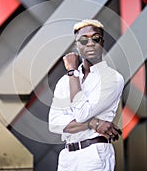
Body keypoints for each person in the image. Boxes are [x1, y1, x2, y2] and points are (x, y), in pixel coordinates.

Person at [48, 19, 125, 171]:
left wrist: (72, 71)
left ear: (102, 42)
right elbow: (54, 123)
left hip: (94, 155)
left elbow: (82, 113)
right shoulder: (65, 82)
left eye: (95, 38)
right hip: (67, 158)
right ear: (77, 45)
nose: (89, 43)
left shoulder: (112, 78)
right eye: (83, 40)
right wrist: (94, 124)